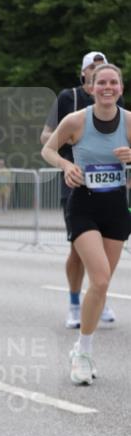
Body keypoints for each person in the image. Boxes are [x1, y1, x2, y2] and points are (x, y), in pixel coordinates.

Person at [41, 63, 130, 384]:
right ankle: (84, 352)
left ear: (120, 88)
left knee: (101, 285)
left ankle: (81, 344)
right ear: (90, 87)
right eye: (100, 82)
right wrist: (66, 165)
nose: (107, 87)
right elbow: (48, 149)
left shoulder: (129, 121)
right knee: (102, 279)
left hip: (117, 207)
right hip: (83, 206)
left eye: (113, 82)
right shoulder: (76, 120)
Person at [40, 51, 117, 328]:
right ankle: (74, 302)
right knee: (78, 249)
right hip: (75, 182)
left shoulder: (111, 99)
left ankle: (99, 294)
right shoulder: (68, 98)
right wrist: (70, 155)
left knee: (107, 251)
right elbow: (46, 137)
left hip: (110, 187)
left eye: (104, 68)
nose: (100, 74)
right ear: (84, 73)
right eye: (94, 69)